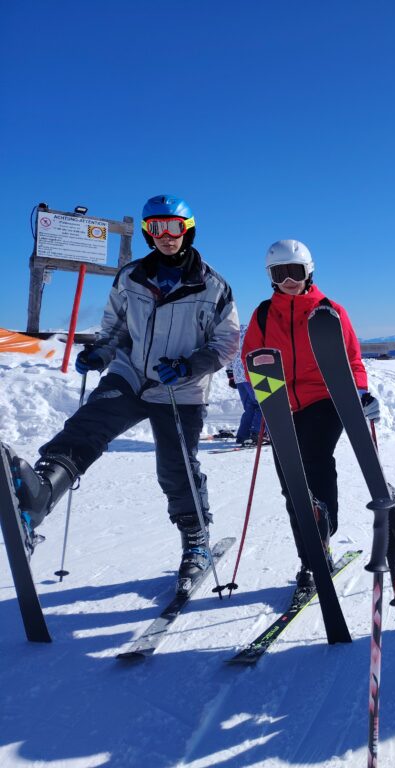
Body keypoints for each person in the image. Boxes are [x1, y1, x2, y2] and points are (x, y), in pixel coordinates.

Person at [5, 194, 239, 594]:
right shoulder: (131, 277)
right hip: (131, 376)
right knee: (87, 426)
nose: (166, 236)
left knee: (176, 467)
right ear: (148, 233)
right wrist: (101, 352)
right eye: (157, 228)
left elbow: (226, 343)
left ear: (188, 230)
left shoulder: (213, 285)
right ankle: (40, 495)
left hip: (179, 387)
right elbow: (115, 326)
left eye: (174, 227)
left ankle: (196, 541)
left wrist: (189, 366)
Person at [241, 240, 378, 588]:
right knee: (291, 483)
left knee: (314, 462)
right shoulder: (263, 314)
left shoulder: (329, 312)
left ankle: (323, 531)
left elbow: (352, 359)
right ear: (271, 277)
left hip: (324, 399)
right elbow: (251, 356)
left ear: (309, 271)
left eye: (295, 271)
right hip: (281, 405)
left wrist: (360, 393)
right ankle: (311, 558)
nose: (289, 280)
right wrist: (264, 392)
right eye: (280, 273)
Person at [226, 323, 264, 445]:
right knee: (262, 405)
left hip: (239, 376)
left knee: (250, 406)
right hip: (252, 374)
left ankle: (243, 435)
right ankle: (257, 434)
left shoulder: (233, 336)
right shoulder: (256, 332)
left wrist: (230, 375)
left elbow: (228, 354)